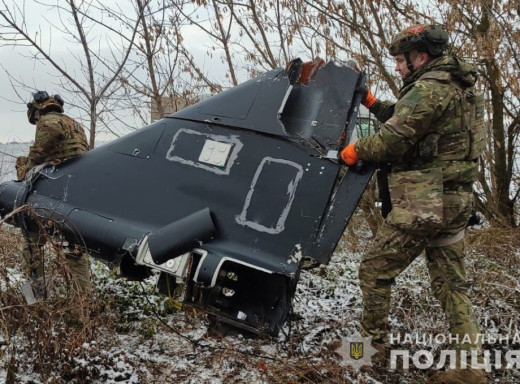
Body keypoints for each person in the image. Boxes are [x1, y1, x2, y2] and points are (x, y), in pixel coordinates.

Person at [341, 25, 486, 383]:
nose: (398, 67)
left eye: (400, 61)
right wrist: (373, 104)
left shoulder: (427, 89)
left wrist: (355, 150)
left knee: (375, 271)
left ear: (420, 57)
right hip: (456, 200)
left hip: (425, 200)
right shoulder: (460, 88)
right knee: (452, 285)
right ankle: (470, 368)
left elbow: (392, 142)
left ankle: (365, 357)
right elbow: (413, 122)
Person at [17, 91, 91, 298]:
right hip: (75, 199)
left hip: (51, 198)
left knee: (32, 249)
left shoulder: (48, 122)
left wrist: (21, 165)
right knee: (74, 254)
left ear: (37, 110)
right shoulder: (75, 125)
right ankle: (83, 304)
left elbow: (32, 163)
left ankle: (34, 301)